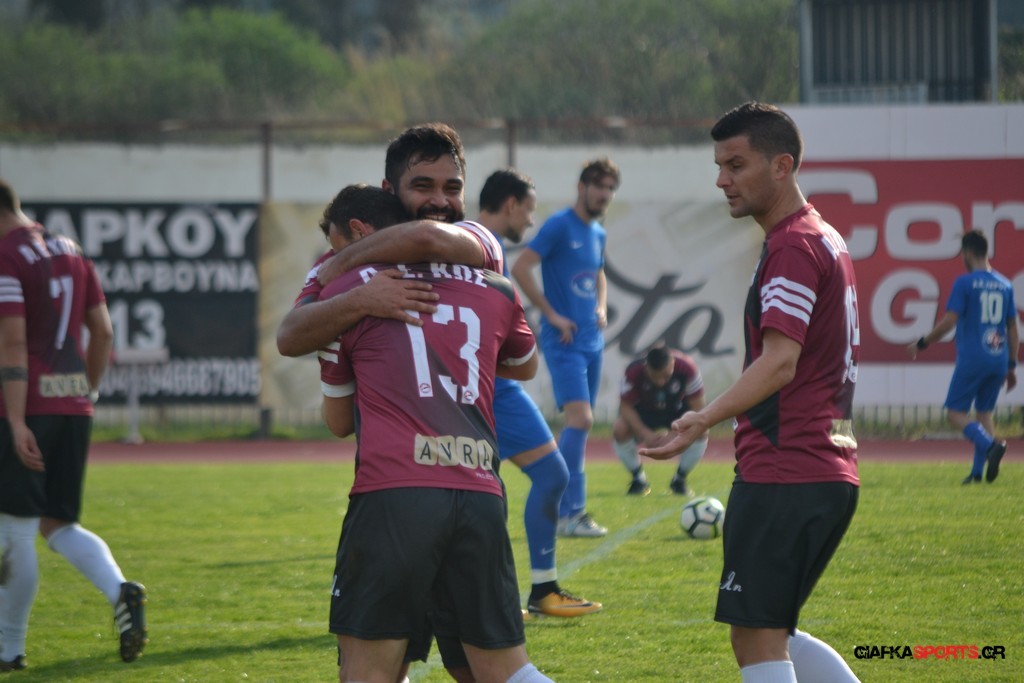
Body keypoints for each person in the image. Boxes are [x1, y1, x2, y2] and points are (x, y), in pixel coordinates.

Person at [641, 102, 862, 683]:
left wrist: (703, 417)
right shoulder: (825, 238)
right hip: (826, 465)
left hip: (787, 469)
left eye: (736, 165)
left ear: (782, 166)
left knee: (757, 638)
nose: (722, 179)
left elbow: (780, 362)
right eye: (719, 166)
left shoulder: (793, 245)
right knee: (772, 631)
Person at [317, 206, 555, 683]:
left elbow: (338, 420)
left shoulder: (350, 288)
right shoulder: (494, 286)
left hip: (395, 490)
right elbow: (526, 364)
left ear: (361, 233)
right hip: (478, 489)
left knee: (368, 670)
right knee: (502, 670)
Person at [0, 178, 147, 671]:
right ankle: (120, 589)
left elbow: (12, 344)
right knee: (58, 523)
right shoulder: (71, 249)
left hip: (27, 407)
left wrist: (16, 420)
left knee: (16, 529)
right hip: (72, 405)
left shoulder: (7, 255)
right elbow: (102, 331)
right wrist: (88, 391)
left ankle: (9, 649)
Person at [476, 169, 600, 618]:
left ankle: (524, 593)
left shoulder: (478, 246)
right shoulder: (479, 249)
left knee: (489, 490)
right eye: (527, 210)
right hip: (491, 388)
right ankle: (540, 590)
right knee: (549, 475)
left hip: (487, 384)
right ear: (510, 204)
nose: (530, 220)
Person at [276, 122, 503, 358]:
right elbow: (289, 339)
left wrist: (345, 262)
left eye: (452, 189)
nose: (440, 201)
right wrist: (361, 300)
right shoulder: (335, 261)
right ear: (389, 189)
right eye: (423, 187)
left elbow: (427, 237)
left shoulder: (477, 237)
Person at [511, 158, 620, 538]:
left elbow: (599, 273)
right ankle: (569, 513)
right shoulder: (559, 225)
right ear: (582, 187)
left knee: (580, 425)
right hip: (565, 342)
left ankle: (564, 510)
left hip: (592, 341)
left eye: (610, 188)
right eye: (599, 186)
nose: (605, 194)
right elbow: (521, 267)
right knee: (582, 420)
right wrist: (552, 315)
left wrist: (601, 306)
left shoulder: (598, 232)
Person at [905, 229, 1018, 484]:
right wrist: (1011, 365)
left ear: (967, 253)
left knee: (954, 413)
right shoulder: (1005, 284)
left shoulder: (965, 283)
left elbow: (949, 322)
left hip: (973, 358)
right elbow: (1013, 328)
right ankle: (977, 474)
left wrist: (922, 343)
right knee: (984, 413)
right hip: (998, 358)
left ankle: (991, 446)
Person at [613, 342, 707, 496]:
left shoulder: (688, 368)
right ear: (646, 367)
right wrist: (645, 433)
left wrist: (674, 435)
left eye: (666, 376)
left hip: (677, 413)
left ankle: (679, 480)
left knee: (701, 430)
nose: (660, 382)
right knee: (620, 428)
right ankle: (639, 479)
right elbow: (625, 407)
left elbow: (698, 409)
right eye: (655, 377)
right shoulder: (633, 371)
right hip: (645, 412)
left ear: (673, 363)